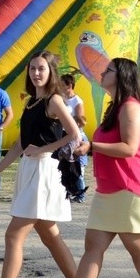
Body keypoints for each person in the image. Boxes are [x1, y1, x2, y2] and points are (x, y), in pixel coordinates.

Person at [38, 58, 140, 278]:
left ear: (121, 76)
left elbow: (129, 148)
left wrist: (92, 147)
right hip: (109, 188)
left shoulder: (131, 108)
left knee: (139, 249)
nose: (102, 73)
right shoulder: (115, 107)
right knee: (93, 248)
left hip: (130, 187)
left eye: (108, 70)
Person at [0, 51, 84, 278]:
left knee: (14, 235)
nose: (36, 73)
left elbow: (74, 135)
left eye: (41, 69)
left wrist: (45, 148)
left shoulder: (54, 100)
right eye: (32, 68)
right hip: (30, 169)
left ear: (50, 72)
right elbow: (20, 144)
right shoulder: (32, 101)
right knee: (50, 235)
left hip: (45, 171)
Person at [61, 74, 88, 203]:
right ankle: (68, 191)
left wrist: (71, 120)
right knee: (65, 165)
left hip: (75, 136)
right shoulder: (60, 99)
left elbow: (82, 121)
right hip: (63, 135)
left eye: (62, 85)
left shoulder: (77, 101)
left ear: (69, 86)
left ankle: (80, 194)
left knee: (78, 166)